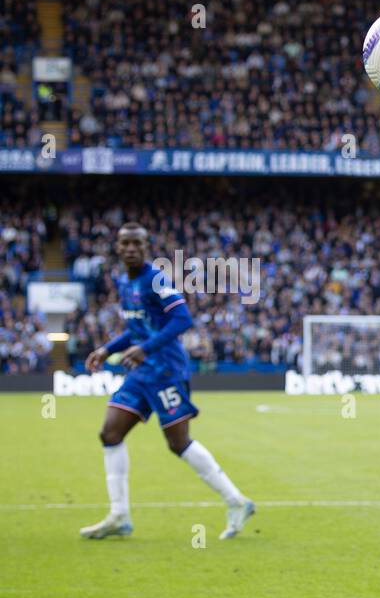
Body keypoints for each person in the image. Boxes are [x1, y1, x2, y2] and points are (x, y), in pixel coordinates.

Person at [79, 224, 254, 541]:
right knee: (110, 432)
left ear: (146, 247)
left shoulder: (155, 278)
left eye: (137, 243)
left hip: (166, 372)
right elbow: (136, 330)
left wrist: (144, 348)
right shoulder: (125, 282)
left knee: (178, 443)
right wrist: (107, 350)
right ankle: (119, 514)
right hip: (140, 372)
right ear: (117, 248)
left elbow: (183, 318)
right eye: (125, 243)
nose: (131, 248)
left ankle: (237, 501)